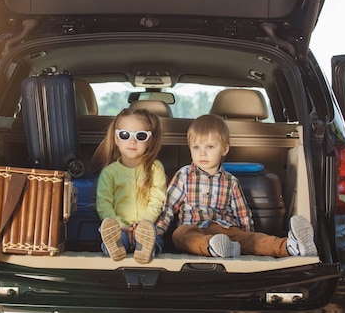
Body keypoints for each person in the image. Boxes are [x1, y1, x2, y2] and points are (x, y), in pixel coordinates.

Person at [156, 114, 317, 258]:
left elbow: (242, 213)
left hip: (226, 228)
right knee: (180, 235)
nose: (202, 153)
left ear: (224, 149)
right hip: (192, 227)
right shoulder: (184, 175)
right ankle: (213, 247)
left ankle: (291, 246)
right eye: (196, 147)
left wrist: (248, 238)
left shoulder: (230, 181)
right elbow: (168, 208)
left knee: (252, 240)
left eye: (210, 147)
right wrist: (158, 233)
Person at [93, 108, 167, 264]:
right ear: (116, 139)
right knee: (112, 235)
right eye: (125, 135)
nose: (132, 141)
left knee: (154, 238)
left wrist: (144, 224)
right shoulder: (109, 173)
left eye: (140, 136)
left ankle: (146, 248)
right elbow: (104, 205)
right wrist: (121, 226)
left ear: (150, 140)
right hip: (119, 228)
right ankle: (115, 246)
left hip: (147, 228)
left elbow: (157, 200)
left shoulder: (155, 168)